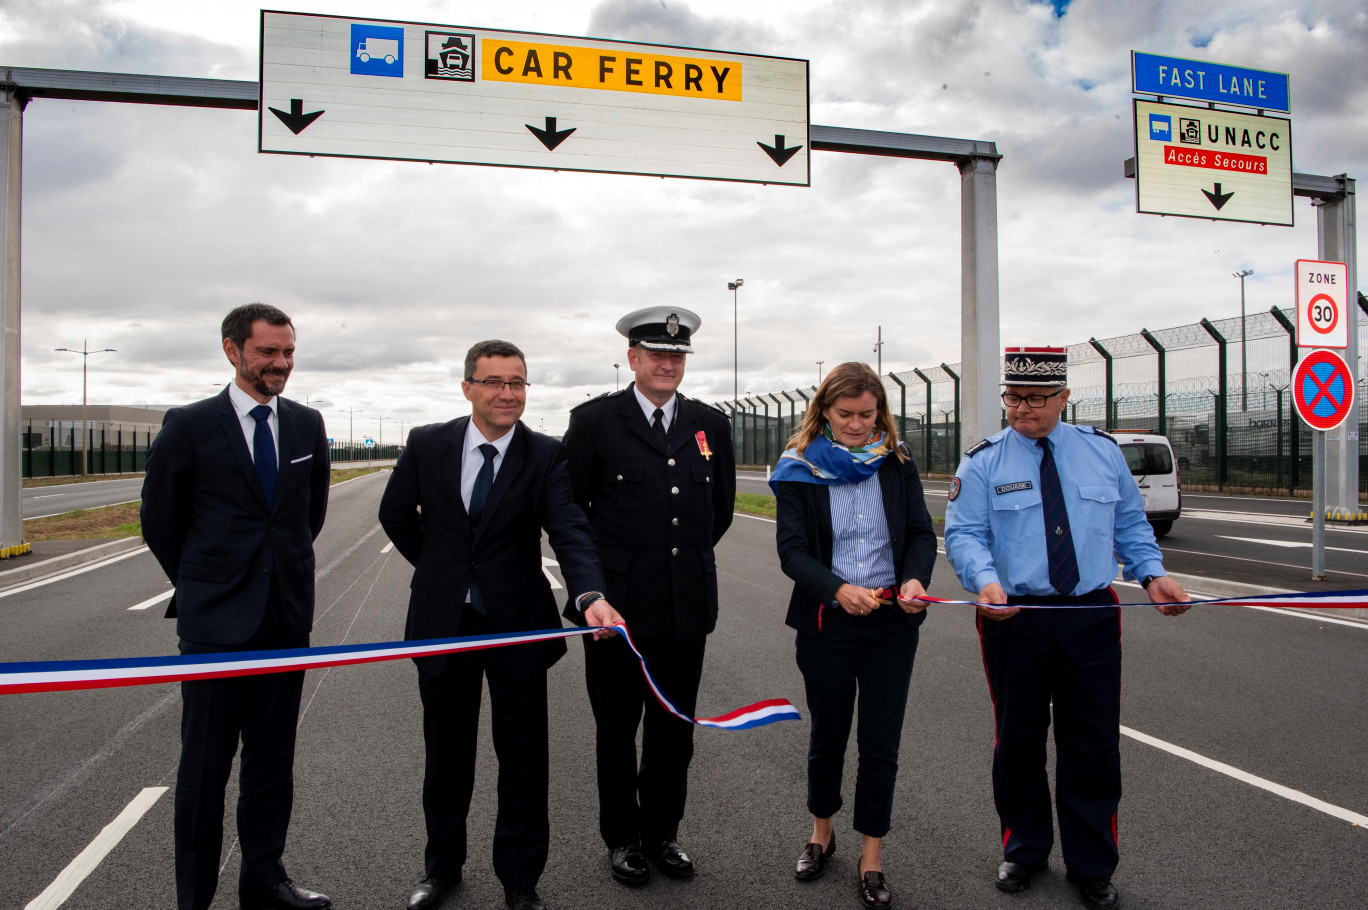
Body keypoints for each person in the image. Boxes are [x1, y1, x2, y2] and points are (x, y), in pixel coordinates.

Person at [943, 346, 1192, 910]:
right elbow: (964, 535)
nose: (1020, 408)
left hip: (1090, 616)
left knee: (1093, 744)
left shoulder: (1102, 454)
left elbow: (1129, 522)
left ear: (1063, 398)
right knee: (1019, 740)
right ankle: (1024, 849)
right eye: (1013, 396)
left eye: (1035, 398)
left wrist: (1153, 577)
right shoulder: (983, 462)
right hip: (1015, 618)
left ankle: (1092, 864)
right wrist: (984, 582)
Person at [378, 340, 623, 910]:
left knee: (522, 758)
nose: (506, 393)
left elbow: (569, 529)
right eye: (493, 382)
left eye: (517, 382)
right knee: (446, 755)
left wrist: (589, 594)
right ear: (467, 388)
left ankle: (520, 882)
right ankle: (440, 870)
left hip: (518, 627)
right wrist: (444, 572)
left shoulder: (545, 454)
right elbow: (396, 514)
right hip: (443, 623)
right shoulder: (427, 444)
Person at [141, 303, 332, 910]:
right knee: (204, 770)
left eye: (289, 352)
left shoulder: (306, 425)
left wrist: (280, 581)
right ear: (232, 350)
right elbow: (160, 522)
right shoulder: (190, 424)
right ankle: (194, 898)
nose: (281, 364)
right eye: (268, 352)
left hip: (284, 621)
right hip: (215, 630)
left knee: (273, 762)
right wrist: (204, 588)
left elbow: (309, 517)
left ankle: (266, 880)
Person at [561, 306, 735, 886]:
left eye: (677, 355)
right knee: (616, 730)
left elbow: (719, 513)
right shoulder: (594, 422)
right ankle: (623, 839)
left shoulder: (712, 423)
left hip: (685, 608)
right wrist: (594, 590)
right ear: (632, 359)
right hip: (617, 613)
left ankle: (663, 833)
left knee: (673, 729)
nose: (667, 363)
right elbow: (571, 515)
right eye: (656, 354)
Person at [771, 361, 937, 910]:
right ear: (823, 410)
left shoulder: (897, 460)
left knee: (880, 743)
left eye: (868, 415)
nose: (858, 425)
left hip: (892, 622)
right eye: (846, 415)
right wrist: (837, 589)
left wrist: (915, 578)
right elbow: (792, 552)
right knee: (829, 734)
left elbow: (918, 532)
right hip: (829, 623)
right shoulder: (798, 468)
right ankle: (822, 832)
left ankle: (872, 855)